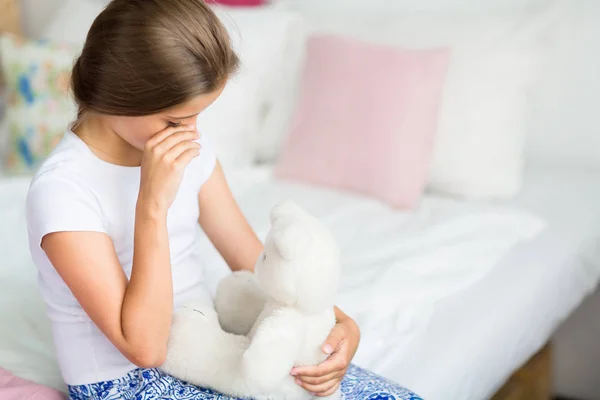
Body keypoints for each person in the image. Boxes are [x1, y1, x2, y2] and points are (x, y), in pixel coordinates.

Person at [25, 1, 422, 399]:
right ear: (117, 94)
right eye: (176, 121)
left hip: (207, 343)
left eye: (199, 115)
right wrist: (152, 205)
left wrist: (338, 323)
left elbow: (252, 261)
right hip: (127, 378)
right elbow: (145, 347)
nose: (192, 133)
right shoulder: (64, 190)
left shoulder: (189, 151)